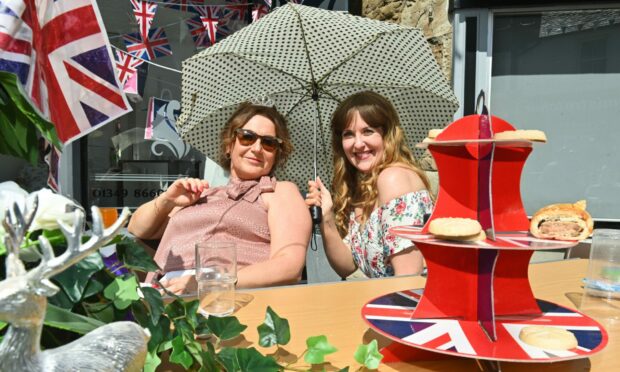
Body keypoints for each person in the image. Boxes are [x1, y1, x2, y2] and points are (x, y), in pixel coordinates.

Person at [128, 102, 312, 293]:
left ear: (276, 154)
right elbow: (137, 229)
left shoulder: (278, 192)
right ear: (229, 145)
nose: (257, 148)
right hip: (161, 291)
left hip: (224, 296)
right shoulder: (200, 194)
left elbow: (289, 265)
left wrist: (210, 282)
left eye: (269, 143)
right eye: (247, 137)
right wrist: (167, 200)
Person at [305, 91, 433, 278]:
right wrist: (326, 218)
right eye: (348, 134)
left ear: (388, 135)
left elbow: (408, 277)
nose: (357, 144)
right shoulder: (361, 187)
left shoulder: (393, 178)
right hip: (384, 299)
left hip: (413, 302)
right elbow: (348, 266)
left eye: (368, 131)